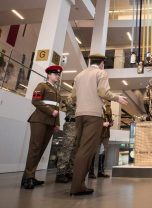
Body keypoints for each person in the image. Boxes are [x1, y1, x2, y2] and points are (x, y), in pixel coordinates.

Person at [70, 54, 128, 196]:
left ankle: (77, 184)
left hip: (79, 115)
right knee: (87, 150)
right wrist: (117, 98)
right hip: (94, 116)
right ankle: (77, 186)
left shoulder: (79, 75)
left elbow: (73, 97)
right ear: (102, 63)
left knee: (79, 148)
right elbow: (103, 92)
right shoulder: (101, 73)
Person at [21, 65, 62, 189]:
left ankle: (30, 176)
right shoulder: (42, 86)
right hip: (39, 121)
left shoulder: (57, 91)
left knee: (41, 149)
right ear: (49, 75)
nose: (57, 76)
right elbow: (36, 101)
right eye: (55, 74)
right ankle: (28, 178)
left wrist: (57, 123)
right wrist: (50, 112)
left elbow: (57, 109)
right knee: (35, 148)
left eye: (58, 74)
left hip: (50, 123)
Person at [55, 96, 78, 183]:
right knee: (66, 149)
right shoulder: (71, 98)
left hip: (78, 126)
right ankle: (60, 173)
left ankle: (70, 171)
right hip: (70, 125)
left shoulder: (83, 98)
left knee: (74, 150)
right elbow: (73, 107)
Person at [88, 102, 113, 179]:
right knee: (94, 151)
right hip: (97, 132)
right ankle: (91, 172)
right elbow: (92, 119)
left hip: (106, 133)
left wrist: (111, 123)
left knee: (103, 151)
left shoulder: (108, 107)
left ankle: (100, 172)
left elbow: (110, 119)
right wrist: (101, 124)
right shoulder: (95, 104)